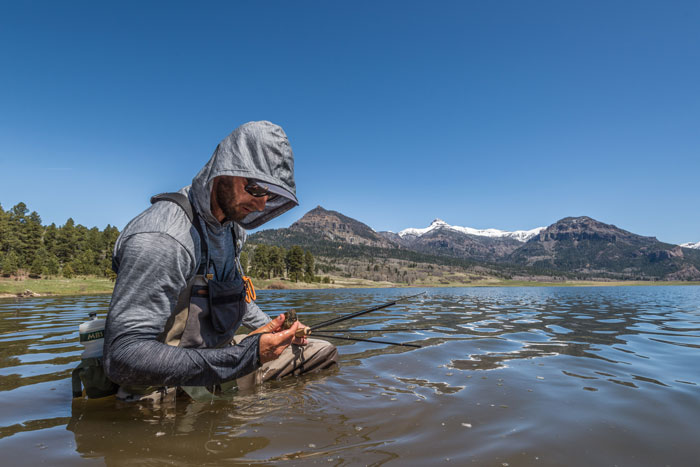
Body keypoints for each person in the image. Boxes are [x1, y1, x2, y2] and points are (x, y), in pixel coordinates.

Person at [103, 121, 337, 401]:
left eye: (271, 193)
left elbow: (233, 294)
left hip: (220, 357)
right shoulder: (164, 238)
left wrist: (277, 330)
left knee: (321, 351)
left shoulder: (233, 228)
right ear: (222, 172)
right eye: (256, 188)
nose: (262, 204)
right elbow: (122, 357)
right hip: (161, 381)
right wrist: (244, 356)